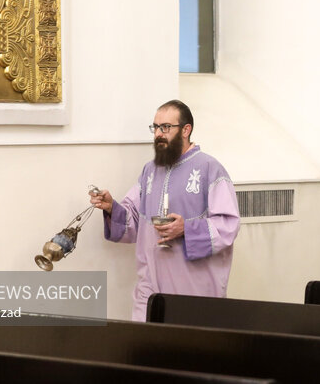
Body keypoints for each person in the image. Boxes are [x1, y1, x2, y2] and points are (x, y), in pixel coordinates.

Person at [90, 99, 240, 321]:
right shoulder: (150, 171)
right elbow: (134, 223)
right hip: (151, 289)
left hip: (194, 293)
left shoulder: (210, 168)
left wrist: (186, 229)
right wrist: (112, 207)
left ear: (186, 130)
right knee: (147, 349)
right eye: (156, 127)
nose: (158, 134)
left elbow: (228, 225)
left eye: (166, 127)